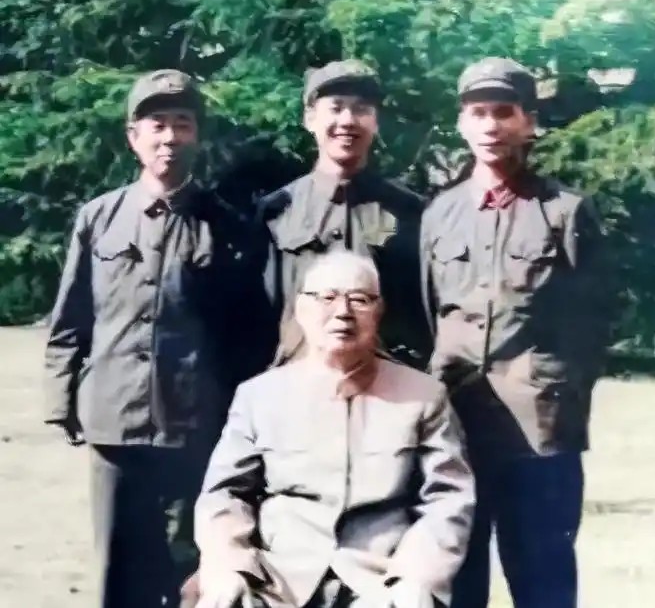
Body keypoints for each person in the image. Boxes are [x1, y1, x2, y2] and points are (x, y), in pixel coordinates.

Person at [44, 69, 260, 608]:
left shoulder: (228, 225)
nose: (169, 137)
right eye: (157, 124)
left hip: (194, 423)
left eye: (182, 124)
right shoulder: (99, 218)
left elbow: (245, 332)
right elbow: (71, 317)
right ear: (133, 137)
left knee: (191, 564)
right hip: (114, 418)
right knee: (120, 565)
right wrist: (60, 399)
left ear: (197, 136)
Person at [420, 57, 613, 608]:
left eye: (503, 112)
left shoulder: (566, 212)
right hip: (457, 424)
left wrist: (556, 393)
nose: (490, 125)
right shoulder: (439, 214)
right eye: (478, 113)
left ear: (529, 122)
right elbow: (433, 311)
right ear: (462, 123)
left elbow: (593, 322)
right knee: (457, 577)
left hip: (538, 431)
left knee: (543, 581)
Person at [193, 251, 475, 608]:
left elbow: (447, 500)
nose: (343, 312)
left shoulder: (423, 395)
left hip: (380, 583)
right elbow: (224, 495)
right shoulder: (259, 396)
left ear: (379, 311)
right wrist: (229, 567)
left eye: (359, 299)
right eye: (327, 298)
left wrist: (417, 575)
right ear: (301, 309)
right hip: (278, 582)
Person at [255, 59, 431, 371]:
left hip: (384, 381)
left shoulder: (409, 211)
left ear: (376, 122)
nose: (348, 121)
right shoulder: (276, 212)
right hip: (298, 378)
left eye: (361, 109)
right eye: (336, 108)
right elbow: (256, 314)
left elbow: (423, 311)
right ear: (310, 118)